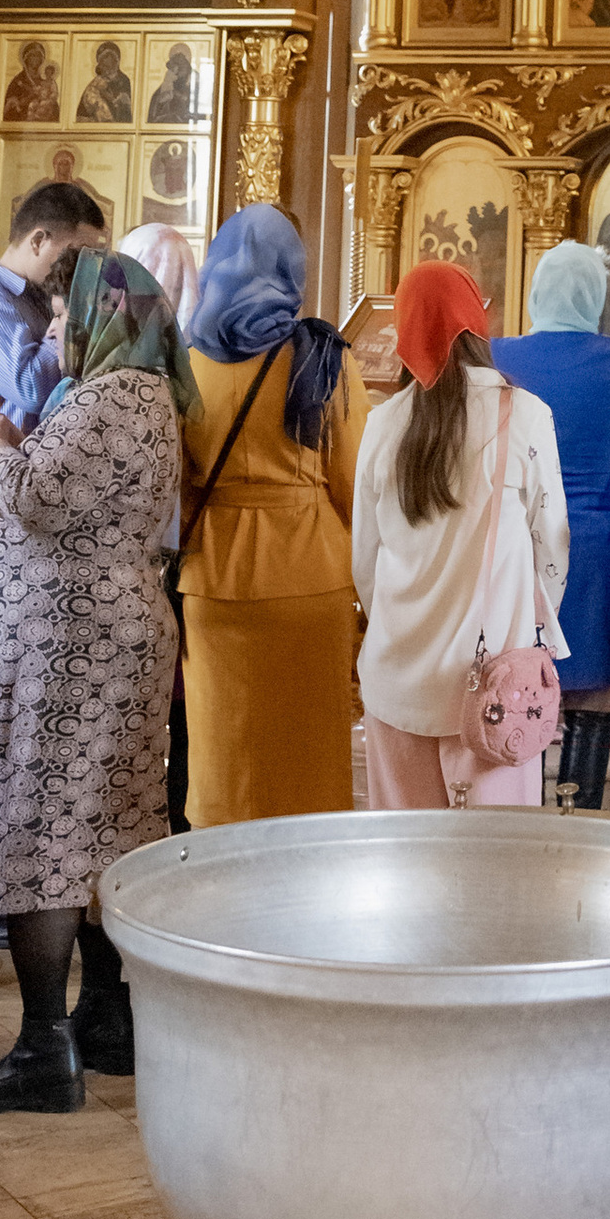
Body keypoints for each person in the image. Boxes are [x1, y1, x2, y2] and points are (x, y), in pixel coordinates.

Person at [0, 248, 199, 1112]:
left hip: (67, 647)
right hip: (101, 635)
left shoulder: (108, 395)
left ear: (104, 317)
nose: (54, 331)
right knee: (103, 829)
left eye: (63, 317)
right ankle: (108, 1020)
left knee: (45, 832)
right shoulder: (145, 391)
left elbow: (42, 504)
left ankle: (42, 1049)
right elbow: (69, 494)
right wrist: (17, 448)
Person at [0, 179, 108, 953]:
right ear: (43, 240)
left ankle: (11, 885)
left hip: (26, 522)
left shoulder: (29, 304)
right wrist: (64, 337)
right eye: (79, 255)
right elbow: (18, 408)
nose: (84, 274)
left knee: (17, 710)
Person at [353, 260, 568, 808]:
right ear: (478, 322)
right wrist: (531, 618)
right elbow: (553, 545)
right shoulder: (526, 415)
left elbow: (365, 560)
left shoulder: (383, 423)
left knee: (404, 857)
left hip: (396, 676)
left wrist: (402, 625)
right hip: (499, 680)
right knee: (495, 863)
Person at [179, 205, 367, 824]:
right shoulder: (323, 358)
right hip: (311, 574)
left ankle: (217, 894)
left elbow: (173, 482)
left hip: (214, 575)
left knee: (223, 751)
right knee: (307, 753)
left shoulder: (184, 361)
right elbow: (352, 483)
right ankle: (305, 895)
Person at [492, 237, 610, 809]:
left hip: (511, 551)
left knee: (513, 686)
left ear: (537, 291)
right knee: (589, 697)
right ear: (594, 295)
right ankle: (578, 815)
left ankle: (512, 806)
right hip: (592, 554)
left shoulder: (497, 355)